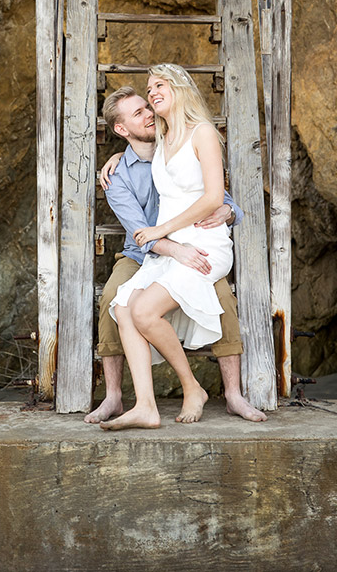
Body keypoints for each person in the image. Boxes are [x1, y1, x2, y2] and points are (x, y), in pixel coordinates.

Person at [88, 65, 266, 430]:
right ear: (122, 130)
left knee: (220, 296)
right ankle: (121, 398)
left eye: (151, 100)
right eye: (140, 111)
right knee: (115, 300)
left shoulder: (180, 135)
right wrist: (173, 246)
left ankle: (230, 392)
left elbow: (214, 195)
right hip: (146, 252)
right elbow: (143, 234)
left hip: (193, 244)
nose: (149, 110)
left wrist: (231, 211)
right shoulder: (119, 173)